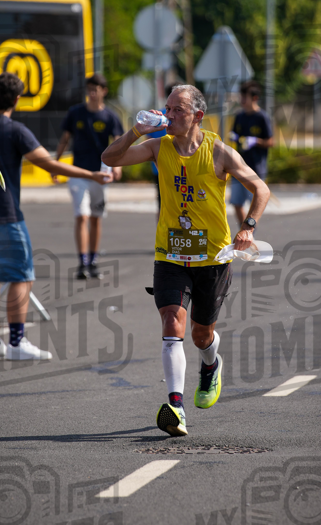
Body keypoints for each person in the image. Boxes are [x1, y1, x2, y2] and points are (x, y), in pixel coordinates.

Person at [102, 84, 270, 437]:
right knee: (171, 321)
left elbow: (261, 189)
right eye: (167, 108)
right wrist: (136, 131)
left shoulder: (219, 152)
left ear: (197, 116)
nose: (169, 115)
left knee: (200, 334)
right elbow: (110, 158)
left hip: (213, 257)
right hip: (170, 254)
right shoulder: (157, 146)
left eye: (177, 109)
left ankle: (210, 365)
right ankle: (175, 407)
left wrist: (248, 227)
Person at [0, 72, 112, 363]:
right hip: (4, 215)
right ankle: (16, 342)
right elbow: (50, 165)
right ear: (17, 99)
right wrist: (91, 174)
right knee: (21, 276)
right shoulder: (15, 130)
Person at [55, 73, 123, 280]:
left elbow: (119, 142)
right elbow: (65, 139)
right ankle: (82, 262)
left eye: (96, 90)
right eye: (89, 89)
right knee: (81, 216)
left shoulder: (110, 117)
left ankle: (93, 261)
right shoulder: (75, 113)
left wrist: (118, 166)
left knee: (95, 218)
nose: (92, 93)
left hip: (101, 175)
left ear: (104, 91)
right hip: (78, 174)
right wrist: (55, 164)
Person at [229, 81, 274, 227]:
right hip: (237, 167)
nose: (242, 100)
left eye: (245, 97)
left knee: (254, 205)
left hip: (256, 168)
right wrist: (234, 136)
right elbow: (234, 133)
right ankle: (244, 231)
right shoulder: (239, 116)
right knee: (236, 203)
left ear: (254, 98)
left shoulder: (262, 117)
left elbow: (271, 141)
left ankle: (249, 233)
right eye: (241, 96)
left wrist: (256, 141)